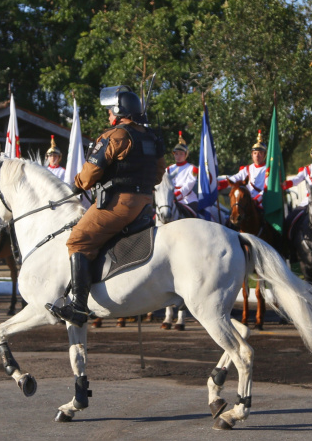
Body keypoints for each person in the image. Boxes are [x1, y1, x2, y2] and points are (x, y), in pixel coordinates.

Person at [47, 86, 166, 326]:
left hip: (119, 205)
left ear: (119, 112)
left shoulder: (116, 136)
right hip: (145, 204)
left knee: (77, 240)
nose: (108, 115)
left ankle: (79, 307)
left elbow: (90, 174)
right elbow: (159, 174)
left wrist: (78, 185)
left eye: (110, 110)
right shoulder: (153, 137)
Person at [217, 130, 268, 208]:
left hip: (261, 204)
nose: (257, 156)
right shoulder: (247, 169)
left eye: (260, 153)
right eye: (255, 153)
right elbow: (235, 178)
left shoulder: (268, 170)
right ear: (252, 155)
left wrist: (256, 200)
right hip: (247, 203)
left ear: (264, 155)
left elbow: (266, 189)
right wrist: (219, 184)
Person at [167, 131, 199, 213]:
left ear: (186, 155)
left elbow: (188, 185)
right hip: (170, 199)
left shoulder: (192, 169)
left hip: (188, 200)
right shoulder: (169, 169)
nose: (178, 156)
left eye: (181, 154)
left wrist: (176, 196)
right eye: (176, 154)